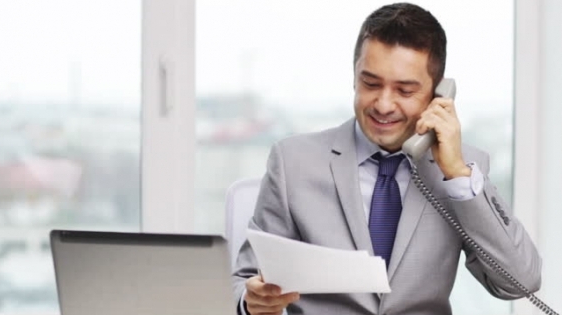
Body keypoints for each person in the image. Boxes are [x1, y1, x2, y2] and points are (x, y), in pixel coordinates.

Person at [232, 3, 542, 315]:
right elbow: (245, 279)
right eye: (370, 84)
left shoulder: (462, 170)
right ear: (355, 78)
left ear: (438, 94)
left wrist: (458, 175)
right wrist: (251, 301)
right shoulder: (293, 162)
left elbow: (520, 283)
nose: (383, 105)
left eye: (405, 91)